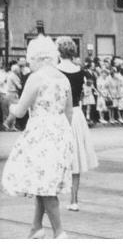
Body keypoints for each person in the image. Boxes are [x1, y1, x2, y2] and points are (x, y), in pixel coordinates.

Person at [1, 35, 74, 238]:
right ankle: (36, 227)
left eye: (31, 59)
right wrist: (63, 134)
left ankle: (59, 233)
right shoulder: (64, 78)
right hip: (61, 132)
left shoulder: (37, 77)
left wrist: (11, 106)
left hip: (41, 133)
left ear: (40, 58)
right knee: (42, 181)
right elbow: (69, 112)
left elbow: (22, 111)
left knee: (44, 185)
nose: (30, 63)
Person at [56, 36, 98, 212]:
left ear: (58, 51)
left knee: (56, 156)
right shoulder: (80, 71)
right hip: (77, 114)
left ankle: (53, 197)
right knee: (76, 158)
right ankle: (74, 200)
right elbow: (80, 94)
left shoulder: (55, 70)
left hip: (59, 115)